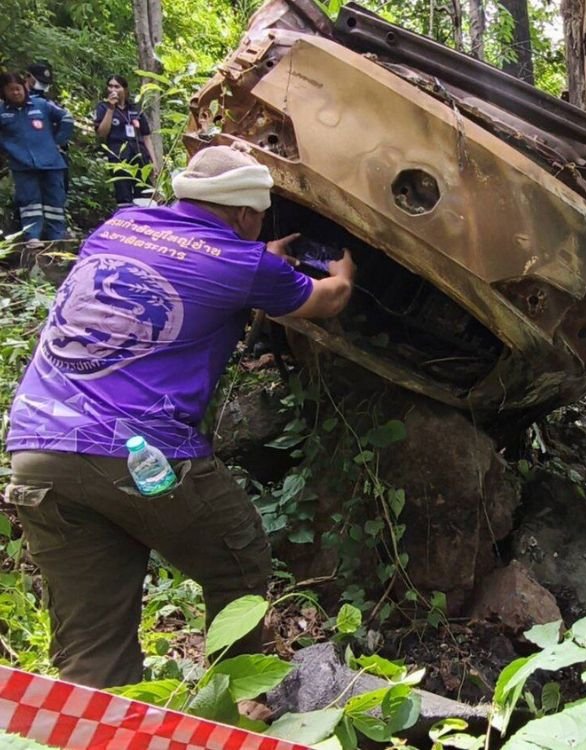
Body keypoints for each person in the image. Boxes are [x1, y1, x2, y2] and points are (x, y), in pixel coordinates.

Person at [2, 145, 357, 689]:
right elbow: (328, 300)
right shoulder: (244, 264)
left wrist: (259, 255)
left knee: (92, 644)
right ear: (244, 213)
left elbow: (185, 256)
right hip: (137, 456)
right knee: (238, 558)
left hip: (35, 451)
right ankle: (234, 696)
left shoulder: (120, 224)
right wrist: (344, 268)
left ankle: (97, 724)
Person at [0, 71, 72, 245]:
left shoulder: (41, 105)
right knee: (28, 200)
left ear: (24, 87)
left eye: (18, 89)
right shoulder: (2, 112)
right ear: (4, 92)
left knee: (55, 200)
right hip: (22, 163)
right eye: (11, 90)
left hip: (51, 162)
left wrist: (58, 141)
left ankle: (56, 236)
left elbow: (67, 117)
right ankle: (32, 236)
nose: (15, 93)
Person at [94, 75, 160, 209]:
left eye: (117, 86)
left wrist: (153, 161)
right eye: (110, 86)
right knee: (124, 196)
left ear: (124, 89)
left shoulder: (135, 108)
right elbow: (102, 132)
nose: (113, 89)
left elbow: (146, 136)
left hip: (140, 157)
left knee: (143, 196)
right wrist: (111, 109)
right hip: (119, 158)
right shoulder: (103, 107)